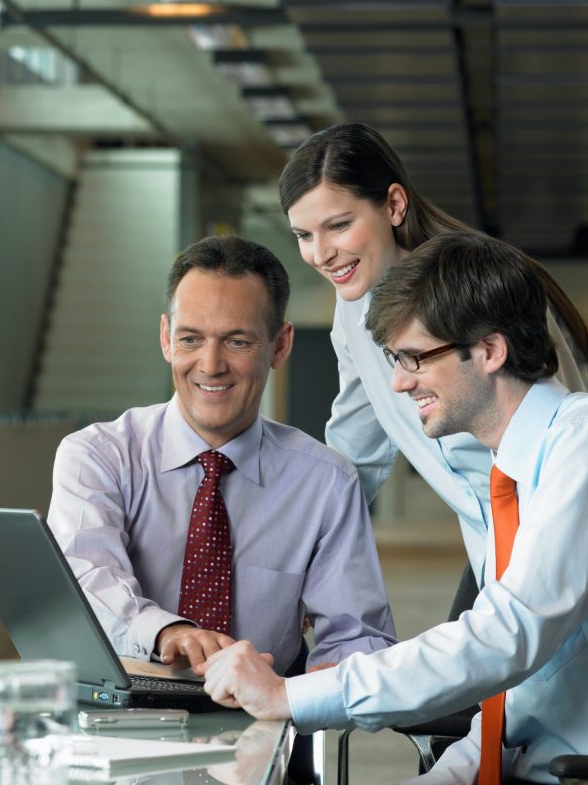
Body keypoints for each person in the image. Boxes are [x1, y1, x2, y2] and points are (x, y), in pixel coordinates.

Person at [203, 231, 588, 784]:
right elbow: (524, 699)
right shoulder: (509, 475)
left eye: (414, 357)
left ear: (489, 350)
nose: (397, 381)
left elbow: (507, 637)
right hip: (532, 759)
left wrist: (292, 694)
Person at [279, 122, 588, 581]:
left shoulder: (484, 288)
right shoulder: (353, 315)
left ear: (395, 206)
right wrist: (301, 558)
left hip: (568, 533)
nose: (320, 254)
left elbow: (577, 435)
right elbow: (356, 450)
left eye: (338, 226)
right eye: (304, 236)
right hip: (492, 542)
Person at [47, 234, 396, 680]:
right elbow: (87, 579)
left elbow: (359, 637)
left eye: (237, 342)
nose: (211, 365)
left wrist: (314, 688)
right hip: (121, 716)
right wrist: (167, 632)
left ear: (281, 345)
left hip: (264, 718)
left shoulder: (326, 482)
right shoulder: (97, 457)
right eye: (191, 339)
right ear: (166, 339)